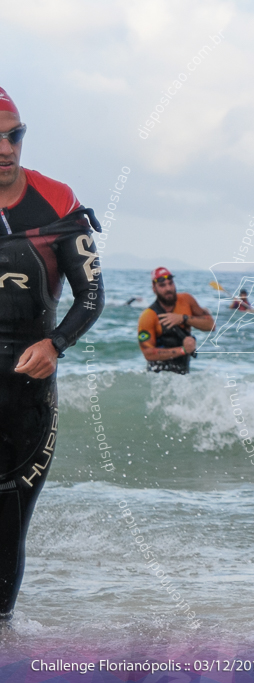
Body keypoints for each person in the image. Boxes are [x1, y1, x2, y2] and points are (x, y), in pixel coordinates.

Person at [0, 86, 104, 619]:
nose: (5, 148)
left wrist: (56, 343)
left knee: (8, 522)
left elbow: (91, 294)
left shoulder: (55, 199)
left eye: (13, 135)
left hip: (27, 384)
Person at [137, 267, 214, 374]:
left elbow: (211, 325)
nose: (168, 288)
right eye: (162, 285)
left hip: (183, 378)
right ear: (154, 289)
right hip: (158, 378)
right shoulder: (148, 316)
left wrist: (183, 318)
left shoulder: (187, 300)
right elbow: (148, 353)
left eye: (170, 283)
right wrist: (183, 350)